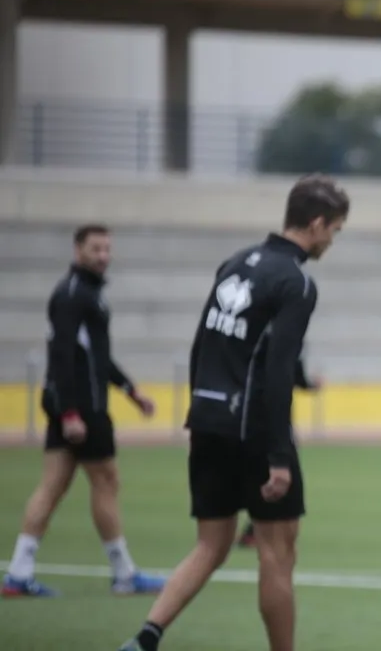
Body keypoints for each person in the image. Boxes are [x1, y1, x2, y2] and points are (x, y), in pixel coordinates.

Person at [118, 173, 350, 651]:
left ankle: (144, 638)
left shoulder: (236, 262)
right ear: (317, 223)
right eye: (335, 230)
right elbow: (279, 372)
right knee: (277, 552)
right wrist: (280, 458)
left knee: (211, 544)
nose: (333, 240)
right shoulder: (296, 283)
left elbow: (203, 345)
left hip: (207, 421)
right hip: (255, 433)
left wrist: (198, 411)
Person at [3, 225, 165, 599]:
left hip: (74, 402)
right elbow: (61, 354)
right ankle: (124, 573)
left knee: (53, 485)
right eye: (96, 248)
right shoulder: (73, 295)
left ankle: (18, 573)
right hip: (83, 407)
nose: (104, 255)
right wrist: (71, 412)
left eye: (108, 248)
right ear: (78, 250)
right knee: (106, 480)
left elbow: (97, 357)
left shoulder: (89, 293)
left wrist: (129, 390)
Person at [235, 361, 322, 550]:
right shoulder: (280, 345)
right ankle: (257, 530)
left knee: (260, 477)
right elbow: (294, 374)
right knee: (277, 480)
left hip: (246, 424)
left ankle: (253, 529)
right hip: (275, 430)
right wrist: (311, 384)